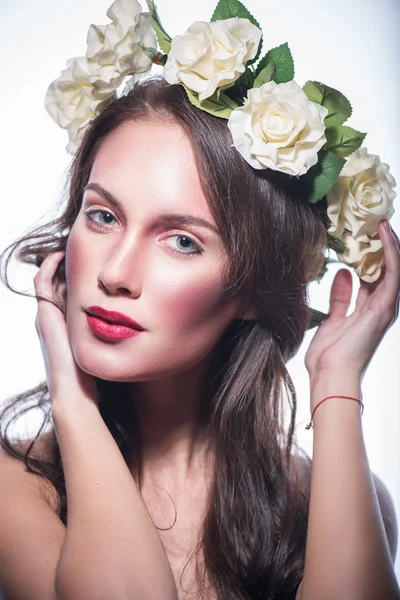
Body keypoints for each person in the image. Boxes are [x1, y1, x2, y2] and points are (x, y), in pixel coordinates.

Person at [0, 1, 399, 599]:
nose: (114, 273)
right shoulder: (13, 486)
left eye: (182, 241)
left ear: (251, 288)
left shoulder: (336, 505)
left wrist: (337, 383)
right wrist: (73, 403)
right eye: (103, 216)